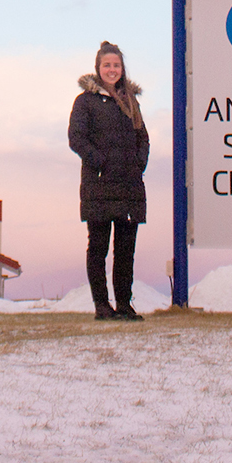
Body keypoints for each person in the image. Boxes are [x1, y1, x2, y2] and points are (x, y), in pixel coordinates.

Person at [67, 40, 150, 321]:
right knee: (99, 247)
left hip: (129, 186)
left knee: (126, 249)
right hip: (99, 186)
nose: (112, 70)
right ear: (98, 68)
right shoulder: (85, 102)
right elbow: (76, 139)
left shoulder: (131, 102)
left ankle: (124, 305)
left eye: (116, 65)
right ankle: (103, 307)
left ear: (122, 68)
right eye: (107, 65)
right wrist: (100, 162)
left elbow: (143, 137)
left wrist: (139, 162)